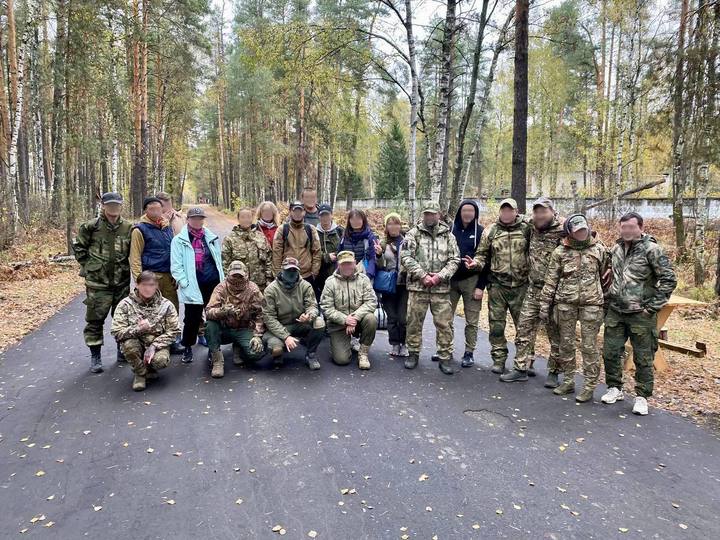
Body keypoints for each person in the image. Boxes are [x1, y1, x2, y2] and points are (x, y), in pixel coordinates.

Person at [601, 212, 677, 416]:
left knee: (643, 357)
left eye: (631, 227)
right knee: (610, 352)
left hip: (641, 315)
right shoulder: (616, 248)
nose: (627, 231)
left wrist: (652, 307)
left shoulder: (652, 250)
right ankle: (614, 388)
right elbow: (612, 273)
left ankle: (642, 396)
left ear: (640, 228)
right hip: (616, 312)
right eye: (624, 227)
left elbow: (668, 279)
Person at [536, 215, 609, 402]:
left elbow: (607, 279)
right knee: (566, 345)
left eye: (584, 230)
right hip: (565, 304)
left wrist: (606, 303)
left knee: (589, 346)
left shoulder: (599, 249)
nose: (581, 234)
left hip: (591, 305)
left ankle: (589, 385)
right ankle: (568, 381)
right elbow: (551, 280)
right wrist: (544, 305)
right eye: (577, 231)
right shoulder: (560, 252)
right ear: (570, 232)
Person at [464, 198, 531, 374]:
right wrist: (475, 264)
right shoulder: (491, 231)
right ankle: (499, 359)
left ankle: (526, 361)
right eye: (504, 211)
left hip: (521, 285)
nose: (506, 214)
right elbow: (482, 255)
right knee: (497, 326)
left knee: (524, 326)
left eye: (510, 211)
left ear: (516, 212)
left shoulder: (526, 229)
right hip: (497, 286)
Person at [501, 197, 564, 384]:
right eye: (536, 211)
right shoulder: (532, 227)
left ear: (552, 212)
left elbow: (588, 238)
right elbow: (514, 220)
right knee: (524, 330)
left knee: (555, 334)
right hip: (533, 289)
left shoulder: (563, 231)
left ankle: (553, 372)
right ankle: (521, 368)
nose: (539, 215)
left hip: (555, 293)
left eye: (543, 211)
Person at [73, 192, 132, 373]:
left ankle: (121, 349)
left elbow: (133, 251)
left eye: (117, 205)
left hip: (121, 281)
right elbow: (79, 248)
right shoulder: (91, 226)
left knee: (122, 319)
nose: (113, 209)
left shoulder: (128, 227)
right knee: (95, 320)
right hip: (98, 284)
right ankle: (95, 354)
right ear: (103, 206)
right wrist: (90, 267)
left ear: (121, 206)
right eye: (110, 205)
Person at [400, 202, 460, 374]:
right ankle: (413, 353)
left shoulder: (448, 235)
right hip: (418, 287)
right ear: (423, 215)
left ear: (439, 215)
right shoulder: (413, 234)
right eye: (427, 214)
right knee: (413, 323)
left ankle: (445, 357)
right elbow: (405, 256)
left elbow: (455, 259)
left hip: (440, 289)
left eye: (433, 214)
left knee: (444, 325)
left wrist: (439, 276)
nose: (430, 217)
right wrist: (423, 275)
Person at [171, 206, 225, 363]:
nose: (197, 221)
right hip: (192, 284)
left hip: (212, 282)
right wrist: (183, 282)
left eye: (200, 218)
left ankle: (213, 348)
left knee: (213, 317)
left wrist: (221, 280)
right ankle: (187, 347)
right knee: (191, 319)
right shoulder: (179, 240)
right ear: (187, 220)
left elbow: (218, 260)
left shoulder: (210, 237)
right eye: (194, 218)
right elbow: (176, 265)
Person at [111, 271, 180, 391]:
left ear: (157, 286)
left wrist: (154, 346)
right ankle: (140, 373)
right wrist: (138, 329)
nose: (148, 288)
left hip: (157, 344)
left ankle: (151, 367)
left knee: (160, 361)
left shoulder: (166, 305)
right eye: (144, 285)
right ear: (137, 285)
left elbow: (174, 331)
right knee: (129, 346)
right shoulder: (125, 304)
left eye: (152, 285)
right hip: (136, 343)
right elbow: (117, 333)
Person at [205, 261, 265, 378]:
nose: (237, 279)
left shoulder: (253, 290)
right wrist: (223, 311)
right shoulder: (221, 288)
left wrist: (257, 336)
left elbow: (261, 315)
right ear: (228, 275)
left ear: (246, 275)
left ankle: (239, 347)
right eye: (234, 275)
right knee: (210, 325)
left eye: (240, 276)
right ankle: (217, 359)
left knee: (257, 353)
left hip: (244, 328)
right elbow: (209, 312)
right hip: (225, 328)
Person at [262, 257, 325, 370]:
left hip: (299, 323)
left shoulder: (305, 286)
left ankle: (311, 355)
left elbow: (313, 306)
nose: (291, 273)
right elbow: (269, 318)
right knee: (275, 348)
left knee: (319, 322)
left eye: (294, 270)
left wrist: (309, 315)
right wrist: (286, 336)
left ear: (298, 271)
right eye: (288, 270)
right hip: (280, 326)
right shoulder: (270, 290)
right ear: (281, 270)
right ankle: (278, 354)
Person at [320, 250, 378, 369]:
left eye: (349, 263)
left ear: (355, 263)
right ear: (338, 265)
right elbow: (326, 307)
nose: (347, 267)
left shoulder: (363, 279)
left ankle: (363, 353)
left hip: (359, 320)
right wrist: (345, 319)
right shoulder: (330, 282)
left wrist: (355, 317)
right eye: (343, 264)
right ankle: (344, 344)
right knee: (342, 360)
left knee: (371, 319)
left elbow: (371, 301)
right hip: (338, 324)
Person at [449, 199, 489, 368]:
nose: (467, 214)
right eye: (464, 210)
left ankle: (469, 352)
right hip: (451, 280)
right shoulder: (451, 230)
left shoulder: (481, 232)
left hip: (471, 281)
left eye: (471, 211)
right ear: (460, 212)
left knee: (471, 320)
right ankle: (445, 348)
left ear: (475, 214)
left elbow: (487, 260)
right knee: (445, 317)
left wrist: (480, 286)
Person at [129, 196, 179, 314]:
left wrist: (176, 274)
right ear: (146, 211)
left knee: (171, 310)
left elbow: (174, 252)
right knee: (151, 312)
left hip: (168, 278)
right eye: (152, 209)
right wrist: (139, 281)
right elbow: (135, 257)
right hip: (150, 277)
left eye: (158, 209)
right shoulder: (139, 230)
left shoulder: (167, 227)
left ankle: (173, 333)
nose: (156, 212)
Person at [376, 212, 408, 357]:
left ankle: (404, 343)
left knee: (403, 318)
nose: (393, 226)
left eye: (396, 223)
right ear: (386, 226)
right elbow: (379, 266)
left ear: (400, 225)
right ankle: (395, 344)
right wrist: (378, 255)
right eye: (390, 223)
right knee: (392, 317)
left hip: (404, 284)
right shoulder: (382, 243)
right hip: (388, 285)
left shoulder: (408, 241)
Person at [222, 207, 273, 291]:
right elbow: (225, 264)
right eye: (243, 217)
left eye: (249, 217)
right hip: (238, 286)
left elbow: (269, 259)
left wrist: (269, 280)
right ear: (238, 219)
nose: (246, 220)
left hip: (260, 286)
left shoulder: (260, 236)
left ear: (252, 218)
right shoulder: (230, 239)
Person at [272, 201, 321, 285]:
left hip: (307, 275)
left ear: (304, 212)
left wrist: (314, 272)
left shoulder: (311, 229)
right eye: (295, 211)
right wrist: (278, 274)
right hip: (287, 273)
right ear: (290, 212)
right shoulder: (282, 229)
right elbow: (277, 253)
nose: (298, 214)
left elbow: (317, 252)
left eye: (300, 211)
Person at [338, 209, 380, 280]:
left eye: (358, 219)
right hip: (346, 274)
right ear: (349, 221)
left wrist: (368, 275)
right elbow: (339, 255)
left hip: (364, 273)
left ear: (363, 220)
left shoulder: (370, 237)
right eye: (353, 219)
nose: (355, 222)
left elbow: (372, 258)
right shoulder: (345, 236)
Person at [315, 203, 344, 301]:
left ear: (331, 215)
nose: (325, 218)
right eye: (322, 215)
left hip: (338, 274)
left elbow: (345, 249)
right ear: (318, 217)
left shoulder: (340, 231)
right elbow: (311, 252)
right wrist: (326, 257)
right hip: (320, 275)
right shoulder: (313, 232)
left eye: (327, 214)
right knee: (323, 302)